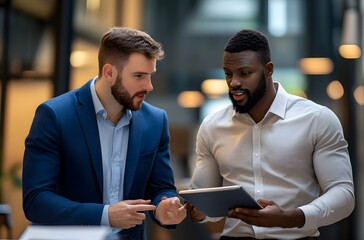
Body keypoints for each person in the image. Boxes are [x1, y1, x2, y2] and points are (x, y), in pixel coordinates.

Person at [186, 29, 355, 240]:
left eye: (244, 73)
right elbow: (204, 199)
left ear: (268, 70)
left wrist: (292, 217)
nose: (234, 82)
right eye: (228, 73)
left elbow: (343, 195)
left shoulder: (317, 119)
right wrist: (198, 211)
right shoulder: (212, 126)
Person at [22, 27, 186, 240]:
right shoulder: (54, 115)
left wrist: (164, 207)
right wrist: (105, 215)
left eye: (150, 75)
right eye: (139, 76)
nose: (149, 86)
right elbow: (36, 201)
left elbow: (161, 187)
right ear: (109, 72)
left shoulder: (156, 121)